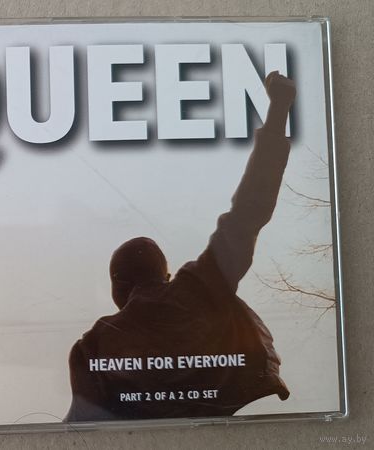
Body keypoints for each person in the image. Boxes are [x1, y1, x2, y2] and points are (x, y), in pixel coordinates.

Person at [65, 71, 297, 421]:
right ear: (167, 275)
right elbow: (250, 208)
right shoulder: (201, 287)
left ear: (117, 286)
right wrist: (279, 111)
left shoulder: (91, 347)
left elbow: (81, 428)